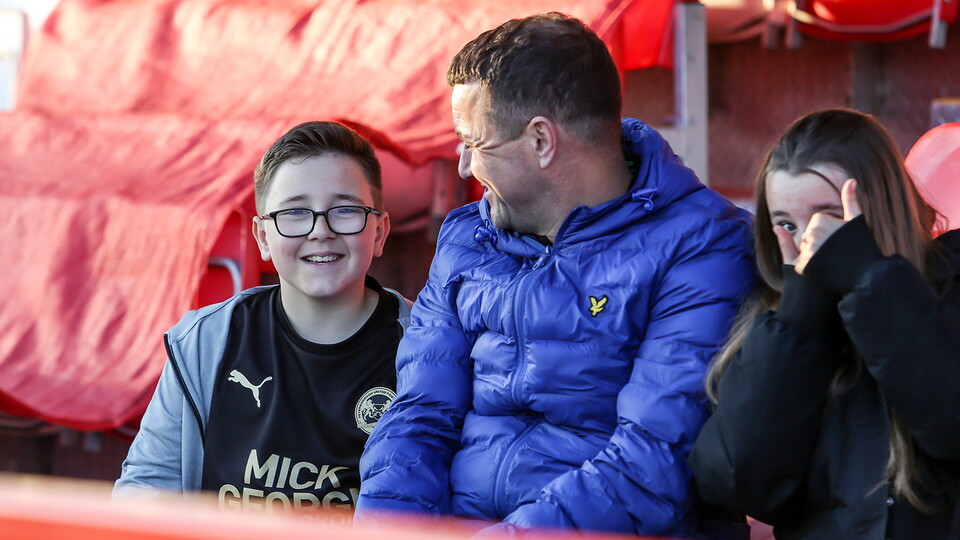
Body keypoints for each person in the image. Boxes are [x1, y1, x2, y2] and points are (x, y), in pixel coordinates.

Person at [355, 12, 755, 538]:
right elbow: (417, 418)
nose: (462, 165)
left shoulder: (705, 244)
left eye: (472, 142)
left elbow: (654, 466)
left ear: (541, 140)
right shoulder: (465, 240)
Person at [114, 121, 411, 515]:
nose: (320, 231)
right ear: (262, 238)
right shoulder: (206, 343)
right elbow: (144, 495)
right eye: (294, 212)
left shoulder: (426, 348)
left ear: (378, 232)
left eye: (344, 210)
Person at [688, 109, 960, 539]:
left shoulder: (948, 288)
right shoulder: (779, 318)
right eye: (786, 224)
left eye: (827, 217)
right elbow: (737, 483)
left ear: (880, 206)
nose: (807, 241)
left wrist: (871, 281)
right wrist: (799, 320)